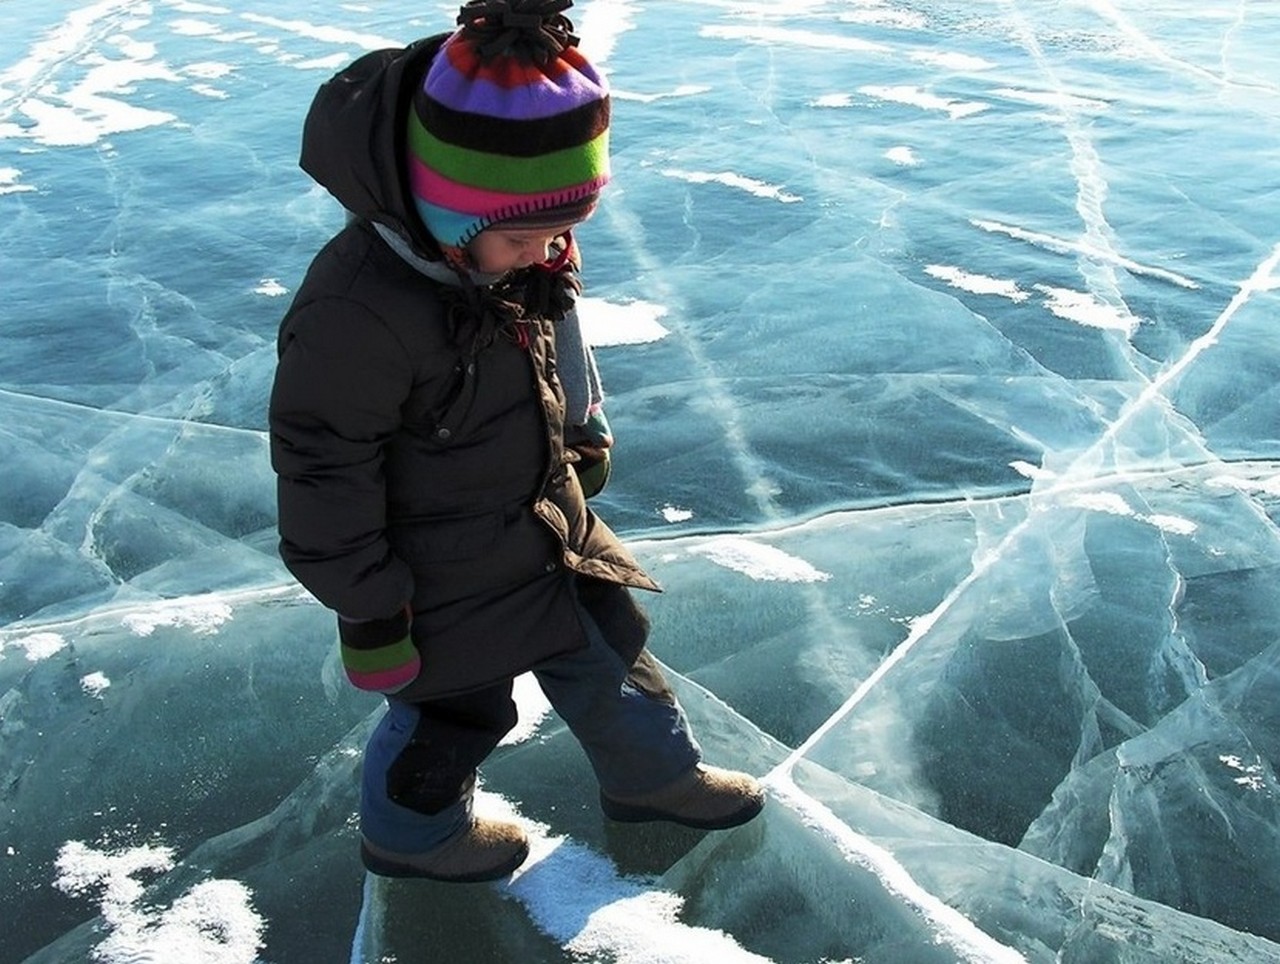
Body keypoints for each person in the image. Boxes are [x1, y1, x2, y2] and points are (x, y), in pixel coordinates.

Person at [268, 0, 764, 883]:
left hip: (544, 523)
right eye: (521, 236)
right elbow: (322, 467)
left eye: (559, 232)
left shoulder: (521, 254)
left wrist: (583, 431)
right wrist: (372, 607)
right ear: (443, 214)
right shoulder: (357, 311)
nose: (546, 254)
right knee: (454, 713)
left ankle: (658, 780)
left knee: (614, 651)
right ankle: (411, 837)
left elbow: (556, 341)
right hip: (437, 573)